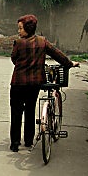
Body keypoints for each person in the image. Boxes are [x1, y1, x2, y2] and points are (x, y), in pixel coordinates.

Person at [9, 14, 80, 152]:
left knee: (16, 113)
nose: (19, 31)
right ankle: (28, 141)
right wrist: (70, 63)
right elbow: (57, 54)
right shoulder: (42, 42)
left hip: (18, 83)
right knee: (30, 110)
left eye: (20, 28)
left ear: (28, 29)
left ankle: (15, 143)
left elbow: (14, 59)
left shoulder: (18, 43)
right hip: (34, 84)